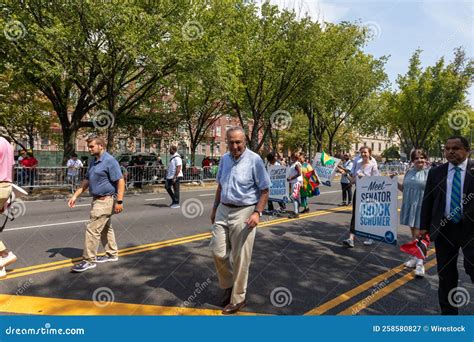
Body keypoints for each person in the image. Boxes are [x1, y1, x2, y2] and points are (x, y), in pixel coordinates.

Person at [209, 126, 270, 315]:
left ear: (244, 142)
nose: (235, 146)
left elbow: (265, 189)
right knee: (217, 251)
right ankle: (228, 285)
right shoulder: (225, 159)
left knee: (240, 258)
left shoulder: (255, 160)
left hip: (244, 211)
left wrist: (257, 213)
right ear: (226, 142)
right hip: (223, 209)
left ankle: (238, 298)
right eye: (231, 142)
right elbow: (220, 185)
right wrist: (214, 207)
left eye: (238, 142)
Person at [420, 136, 474, 315]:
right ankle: (449, 317)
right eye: (447, 148)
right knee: (446, 275)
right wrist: (424, 228)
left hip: (471, 231)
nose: (450, 151)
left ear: (467, 150)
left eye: (456, 148)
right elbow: (428, 201)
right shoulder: (436, 172)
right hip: (445, 229)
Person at [68, 136, 125, 273]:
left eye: (92, 146)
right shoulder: (94, 161)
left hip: (105, 200)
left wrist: (119, 201)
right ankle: (112, 253)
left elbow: (120, 181)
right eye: (89, 147)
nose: (89, 149)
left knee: (92, 230)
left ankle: (89, 260)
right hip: (97, 200)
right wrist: (75, 195)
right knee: (106, 228)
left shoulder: (110, 161)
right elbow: (87, 180)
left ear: (101, 146)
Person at [398, 149, 430, 277]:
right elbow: (404, 189)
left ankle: (420, 264)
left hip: (422, 207)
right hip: (410, 206)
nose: (419, 160)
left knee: (420, 234)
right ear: (412, 160)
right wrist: (393, 182)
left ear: (425, 159)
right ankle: (415, 257)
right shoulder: (409, 172)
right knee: (414, 233)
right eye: (416, 158)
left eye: (422, 157)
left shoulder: (429, 173)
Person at [341, 146, 380, 248]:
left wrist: (365, 178)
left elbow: (377, 181)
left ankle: (370, 236)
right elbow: (353, 180)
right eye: (361, 152)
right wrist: (345, 175)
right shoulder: (358, 164)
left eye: (365, 152)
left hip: (368, 193)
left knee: (368, 215)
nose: (363, 154)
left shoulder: (373, 165)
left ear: (369, 153)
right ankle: (351, 239)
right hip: (358, 192)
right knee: (355, 214)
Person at [0, 136, 18, 278]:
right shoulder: (6, 143)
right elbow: (11, 169)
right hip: (6, 186)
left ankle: (4, 255)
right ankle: (1, 266)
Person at [286, 152, 303, 219]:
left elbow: (299, 173)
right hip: (294, 182)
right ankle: (297, 210)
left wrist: (291, 178)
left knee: (294, 197)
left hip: (296, 182)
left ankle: (296, 213)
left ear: (295, 157)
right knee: (295, 197)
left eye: (292, 156)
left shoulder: (296, 164)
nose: (291, 158)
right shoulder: (293, 164)